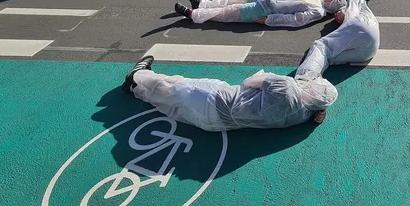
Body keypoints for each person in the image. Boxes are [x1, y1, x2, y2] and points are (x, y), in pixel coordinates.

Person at [121, 57, 337, 131]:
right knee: (172, 108)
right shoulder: (302, 116)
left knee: (174, 86)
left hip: (217, 100)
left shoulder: (286, 86)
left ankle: (138, 75)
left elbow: (249, 82)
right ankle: (135, 90)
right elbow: (316, 112)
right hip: (219, 125)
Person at [295, 0, 381, 82]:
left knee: (322, 47)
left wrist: (341, 9)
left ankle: (304, 79)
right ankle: (311, 78)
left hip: (361, 28)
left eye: (336, 13)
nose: (336, 16)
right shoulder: (363, 10)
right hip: (369, 51)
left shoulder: (352, 7)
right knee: (331, 56)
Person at [175, 0, 346, 27]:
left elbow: (295, 20)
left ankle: (194, 14)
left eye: (335, 0)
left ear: (333, 7)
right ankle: (202, 4)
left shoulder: (318, 11)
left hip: (266, 10)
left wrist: (269, 20)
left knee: (229, 12)